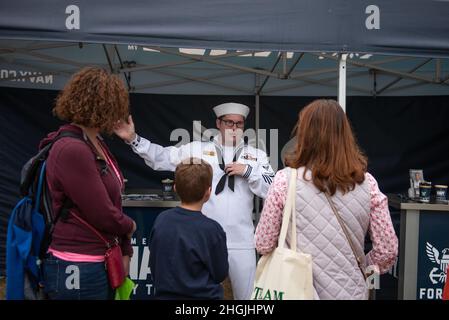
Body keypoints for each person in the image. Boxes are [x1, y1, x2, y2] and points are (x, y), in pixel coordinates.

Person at [114, 102, 275, 299]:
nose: (234, 128)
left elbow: (272, 189)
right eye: (229, 123)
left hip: (242, 241)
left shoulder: (256, 156)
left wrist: (249, 171)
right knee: (203, 296)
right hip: (204, 239)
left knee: (246, 298)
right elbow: (163, 157)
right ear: (218, 123)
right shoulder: (198, 149)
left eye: (239, 124)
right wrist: (134, 139)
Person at [255, 99, 398, 300]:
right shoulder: (368, 184)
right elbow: (387, 250)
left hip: (295, 289)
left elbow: (263, 243)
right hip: (352, 291)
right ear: (345, 135)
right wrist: (361, 266)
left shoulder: (284, 181)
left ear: (304, 135)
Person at [41, 67, 136, 299]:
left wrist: (124, 249)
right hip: (78, 265)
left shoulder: (94, 141)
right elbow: (102, 212)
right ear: (104, 106)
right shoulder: (73, 148)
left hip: (96, 261)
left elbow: (112, 203)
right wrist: (130, 226)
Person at [149, 158, 228, 299]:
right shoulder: (212, 229)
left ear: (175, 188)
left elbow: (155, 263)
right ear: (208, 192)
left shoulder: (161, 220)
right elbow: (220, 273)